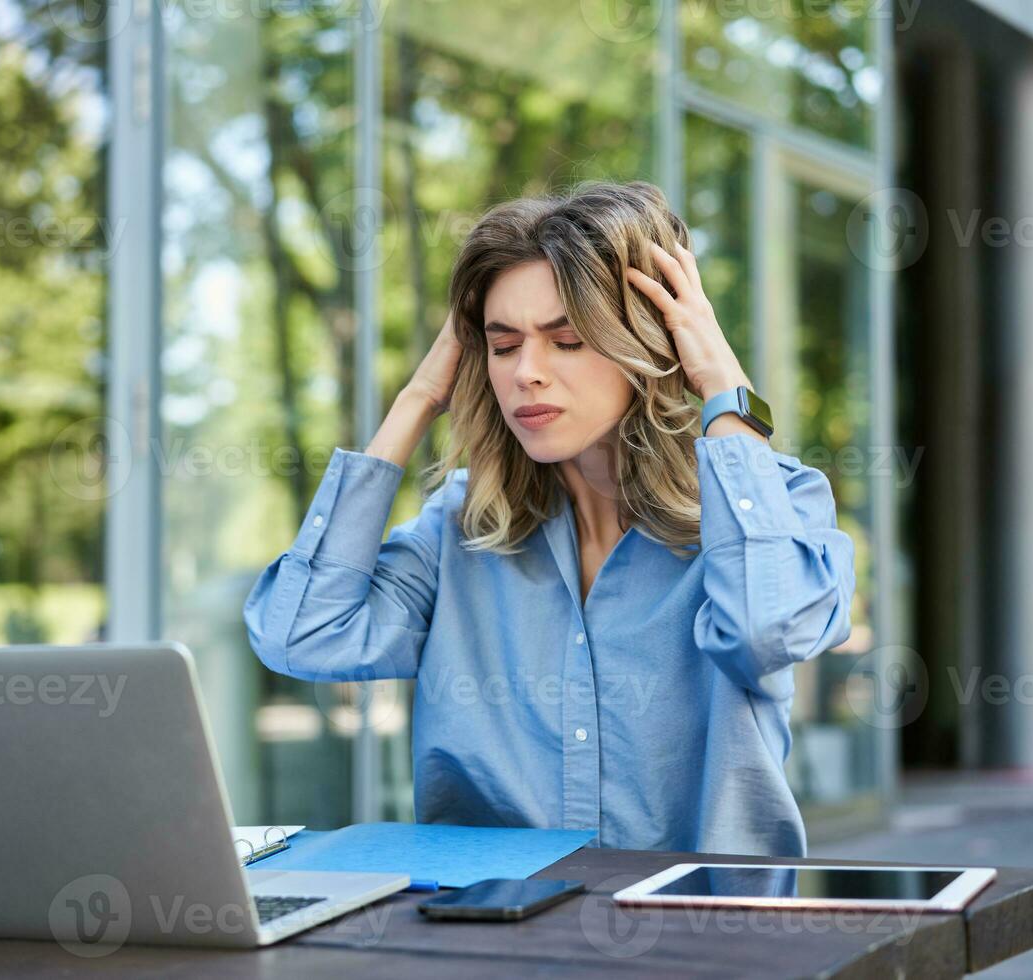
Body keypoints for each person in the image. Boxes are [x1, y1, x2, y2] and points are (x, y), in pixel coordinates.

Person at [242, 180, 855, 856]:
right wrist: (418, 397)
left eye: (565, 341)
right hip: (487, 939)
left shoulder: (766, 508)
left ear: (649, 347)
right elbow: (301, 635)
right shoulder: (464, 529)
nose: (526, 373)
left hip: (702, 939)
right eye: (503, 346)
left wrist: (721, 387)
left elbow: (765, 631)